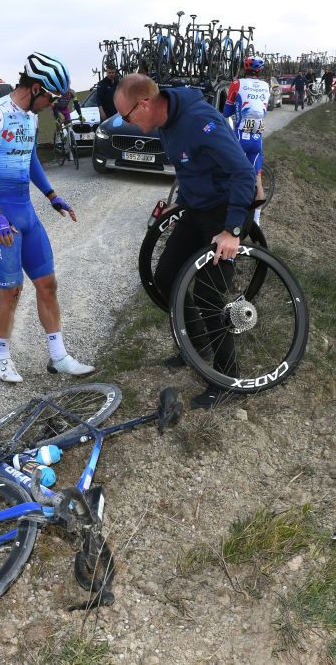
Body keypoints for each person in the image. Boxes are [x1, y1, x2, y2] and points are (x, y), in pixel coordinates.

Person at [114, 74, 255, 409]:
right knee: (166, 277)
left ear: (145, 103)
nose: (126, 122)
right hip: (196, 209)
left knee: (208, 293)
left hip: (226, 212)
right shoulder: (164, 120)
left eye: (126, 115)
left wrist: (233, 230)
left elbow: (243, 174)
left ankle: (226, 380)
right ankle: (199, 345)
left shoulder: (199, 120)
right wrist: (182, 200)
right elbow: (190, 166)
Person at [0, 52, 95, 383]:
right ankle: (1, 358)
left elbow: (31, 159)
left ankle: (58, 357)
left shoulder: (31, 118)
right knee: (11, 292)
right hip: (1, 215)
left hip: (26, 212)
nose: (52, 104)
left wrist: (52, 196)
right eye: (50, 97)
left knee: (48, 285)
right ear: (36, 87)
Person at [224, 56, 270, 223]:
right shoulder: (266, 86)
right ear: (259, 71)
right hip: (257, 139)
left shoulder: (237, 84)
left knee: (231, 177)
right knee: (257, 180)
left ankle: (229, 216)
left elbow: (226, 112)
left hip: (240, 139)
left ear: (244, 68)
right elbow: (265, 108)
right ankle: (256, 221)